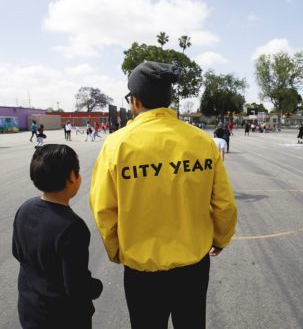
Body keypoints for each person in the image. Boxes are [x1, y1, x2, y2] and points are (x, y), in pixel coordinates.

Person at [90, 61, 237, 329]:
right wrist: (220, 238)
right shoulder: (201, 141)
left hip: (142, 271)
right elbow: (224, 204)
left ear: (135, 101)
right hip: (192, 268)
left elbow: (103, 210)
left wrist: (117, 251)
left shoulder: (116, 145)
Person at [13, 144, 103, 328]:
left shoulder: (25, 207)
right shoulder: (72, 226)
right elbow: (76, 286)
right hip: (64, 317)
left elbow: (18, 253)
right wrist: (96, 286)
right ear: (72, 176)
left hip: (30, 309)